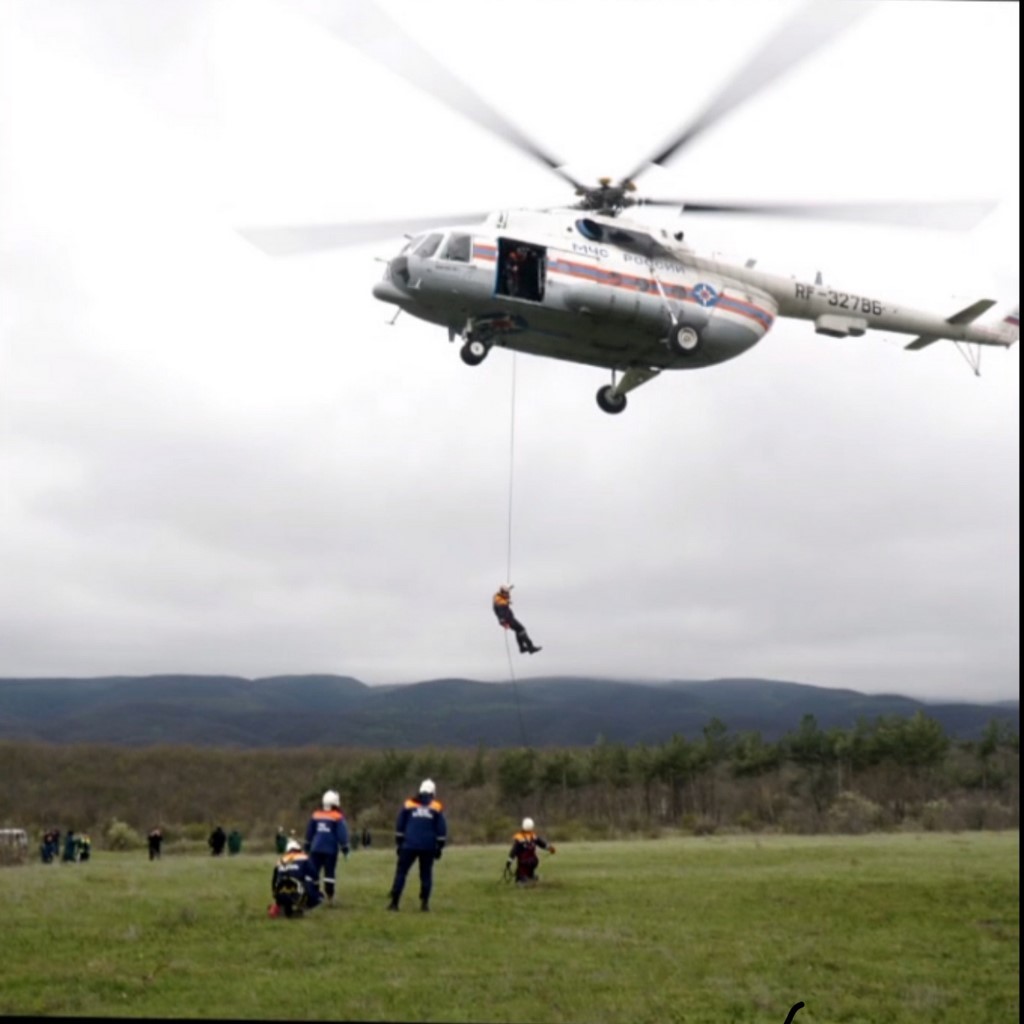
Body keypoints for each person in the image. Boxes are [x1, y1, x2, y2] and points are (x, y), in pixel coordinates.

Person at [388, 779, 447, 912]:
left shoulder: (409, 804)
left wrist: (399, 843)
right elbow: (441, 828)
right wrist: (440, 846)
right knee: (426, 874)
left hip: (409, 845)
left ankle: (394, 902)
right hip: (428, 846)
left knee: (401, 873)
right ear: (433, 792)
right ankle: (424, 904)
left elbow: (400, 824)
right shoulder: (436, 806)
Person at [305, 790, 350, 906]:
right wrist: (345, 848)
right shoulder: (337, 817)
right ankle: (330, 897)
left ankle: (313, 895)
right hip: (330, 850)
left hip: (315, 849)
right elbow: (342, 834)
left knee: (314, 873)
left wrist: (307, 845)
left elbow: (309, 832)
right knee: (329, 874)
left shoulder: (316, 815)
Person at [269, 839, 323, 919]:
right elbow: (314, 874)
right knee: (318, 896)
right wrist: (316, 888)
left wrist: (275, 895)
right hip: (297, 892)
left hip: (280, 892)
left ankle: (284, 908)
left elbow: (274, 880)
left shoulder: (281, 860)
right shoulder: (304, 857)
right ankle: (302, 908)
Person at [493, 585, 541, 654]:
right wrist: (504, 622)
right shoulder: (501, 602)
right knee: (521, 629)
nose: (508, 594)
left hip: (508, 619)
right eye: (507, 593)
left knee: (518, 631)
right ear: (503, 593)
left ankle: (522, 648)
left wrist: (509, 588)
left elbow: (502, 593)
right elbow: (501, 613)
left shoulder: (499, 597)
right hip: (508, 620)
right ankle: (530, 647)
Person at [506, 817, 556, 885]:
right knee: (527, 866)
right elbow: (542, 844)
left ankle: (526, 877)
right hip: (530, 862)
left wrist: (509, 862)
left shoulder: (521, 838)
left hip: (526, 862)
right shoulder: (533, 836)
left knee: (525, 868)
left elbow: (513, 851)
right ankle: (526, 877)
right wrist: (550, 848)